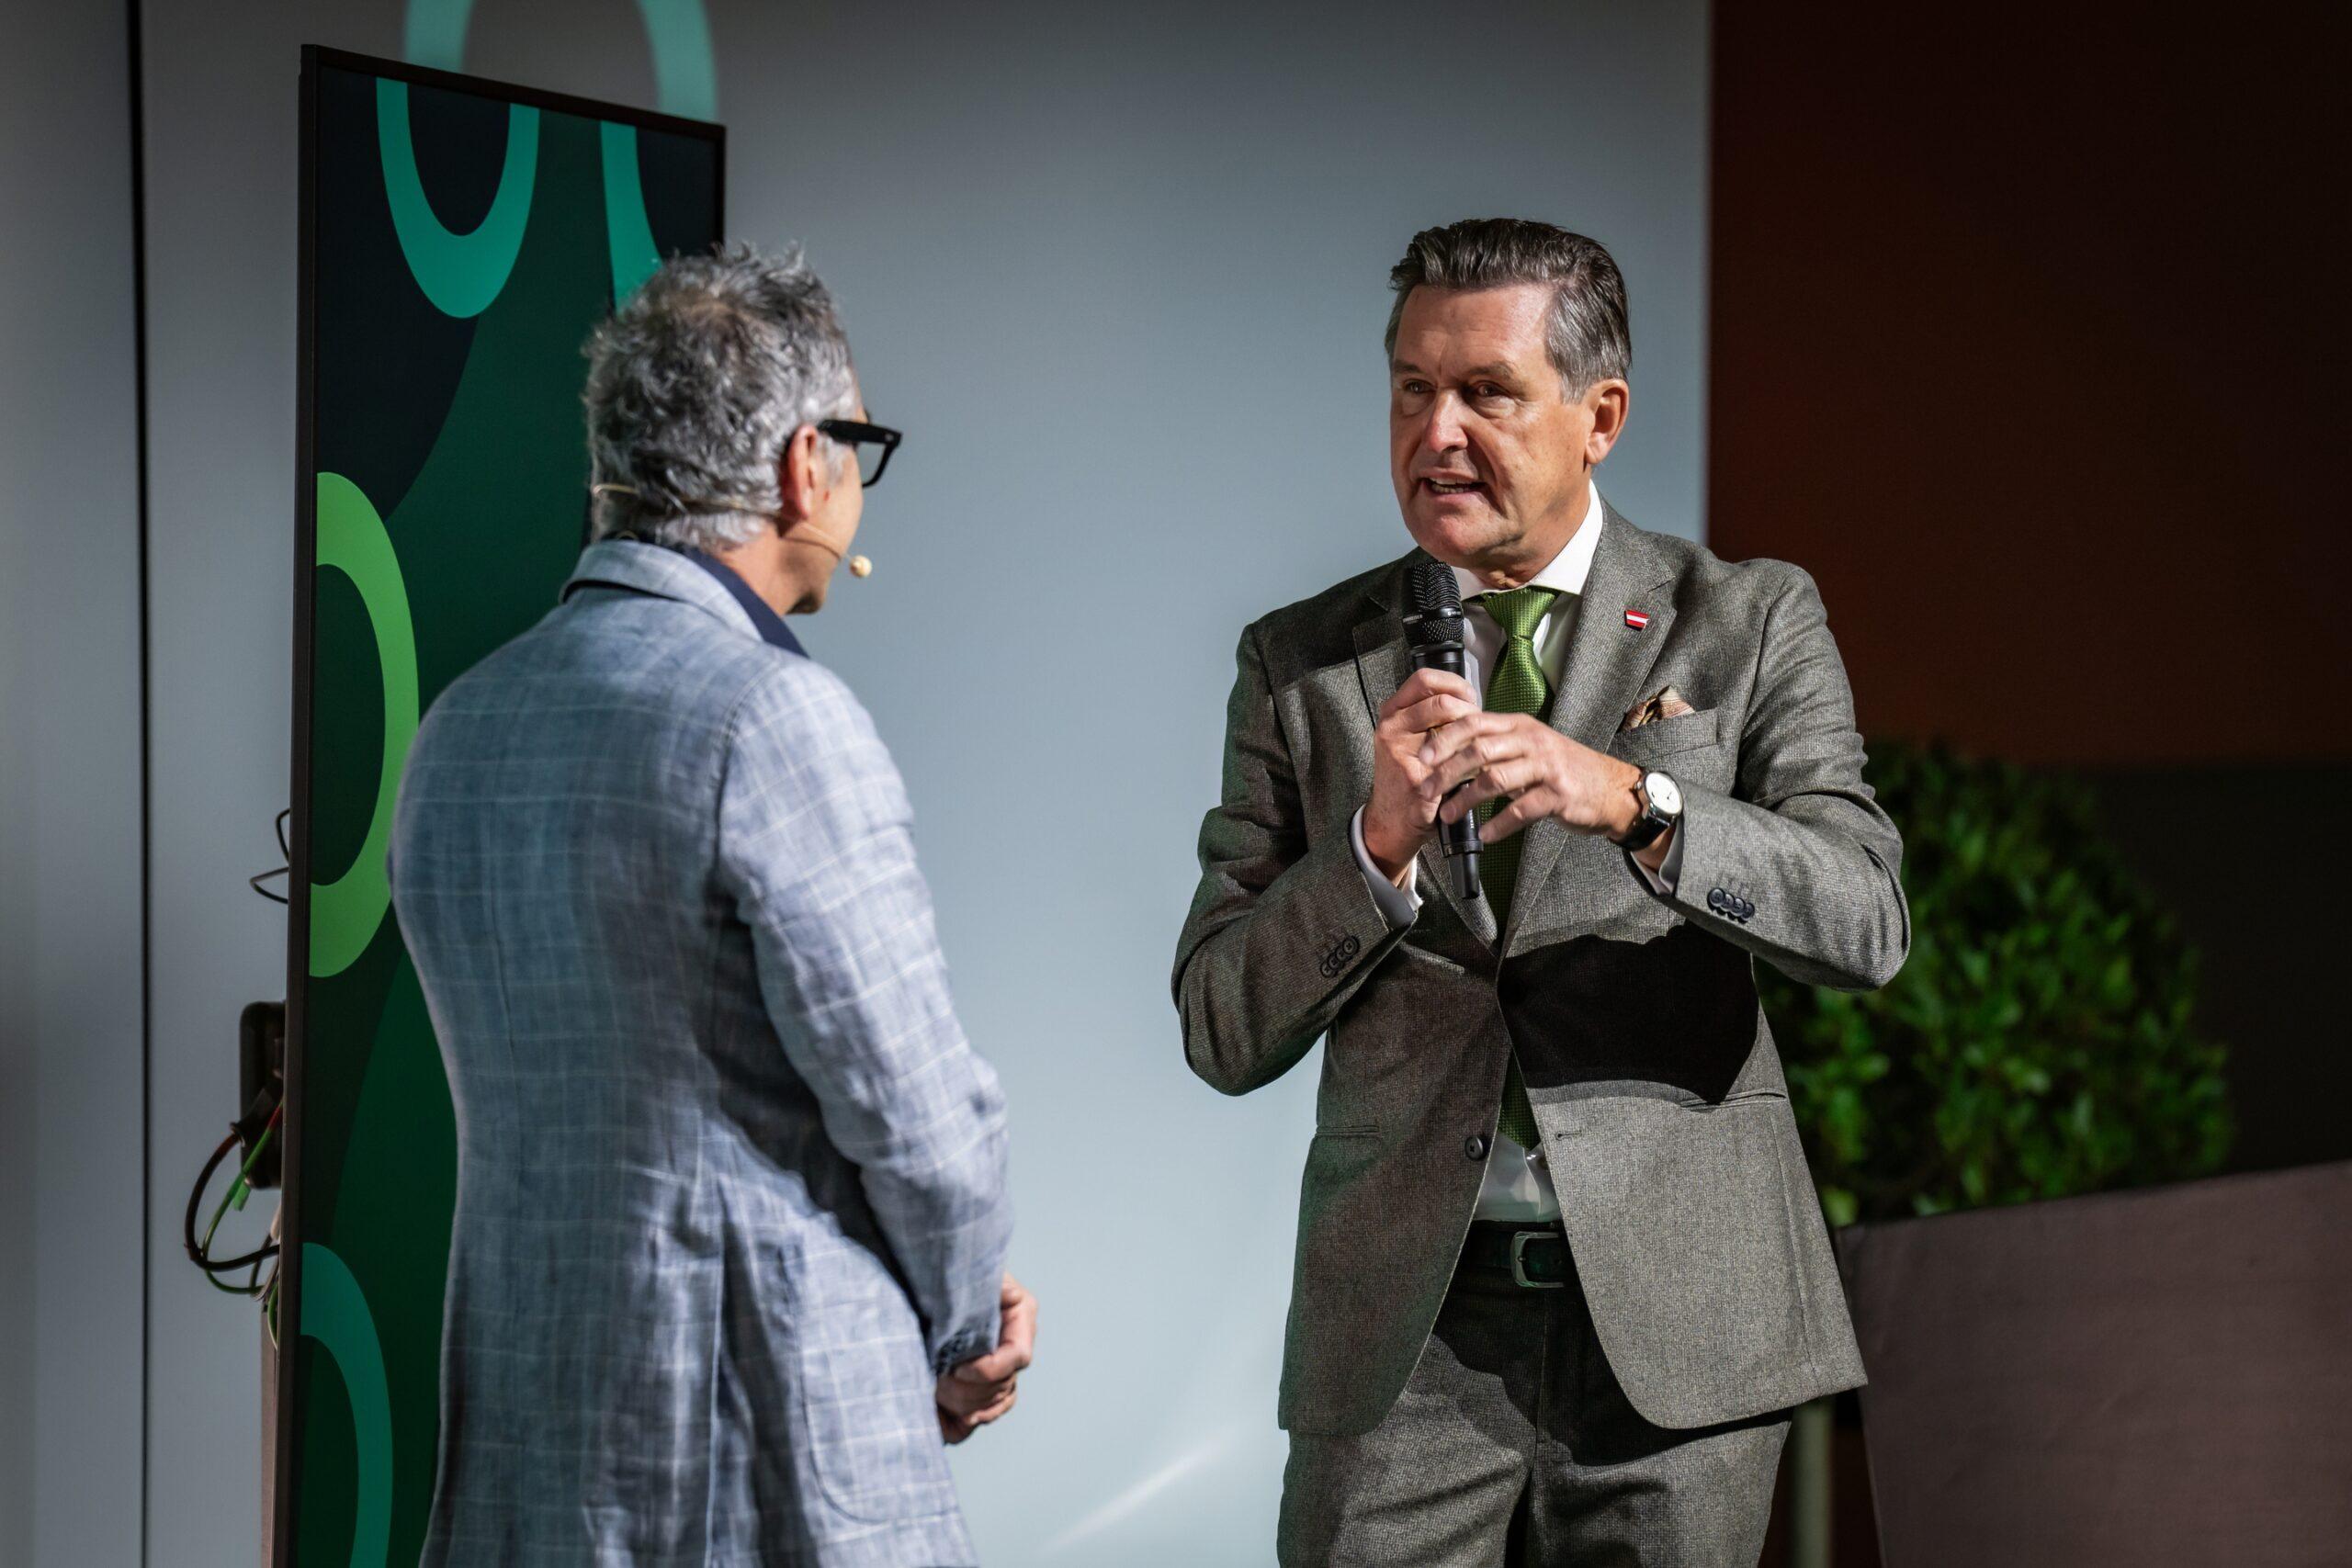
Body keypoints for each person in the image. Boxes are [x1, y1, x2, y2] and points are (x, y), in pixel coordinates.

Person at [1173, 218, 1908, 1565]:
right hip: (1405, 1343)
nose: (1436, 432)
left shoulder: (1741, 619)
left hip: (1681, 1338)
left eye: (1486, 393)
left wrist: (1637, 800)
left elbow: (1863, 917)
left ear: (1599, 418)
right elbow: (1221, 1024)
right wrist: (1374, 847)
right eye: (1412, 388)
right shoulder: (1302, 665)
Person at [391, 245, 1033, 1567]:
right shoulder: (771, 719)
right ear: (806, 465)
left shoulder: (459, 728)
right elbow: (922, 1123)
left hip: (525, 1451)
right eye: (859, 446)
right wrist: (968, 1330)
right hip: (758, 1450)